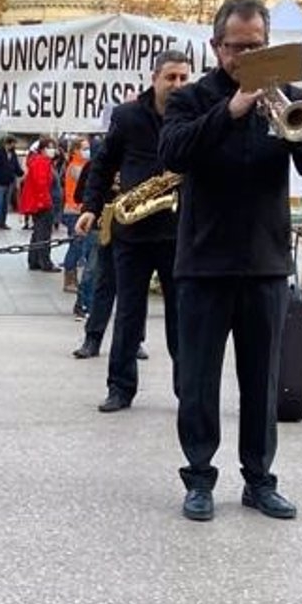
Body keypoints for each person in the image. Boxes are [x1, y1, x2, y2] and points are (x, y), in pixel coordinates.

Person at [160, 0, 302, 522]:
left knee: (262, 382)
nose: (248, 54)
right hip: (204, 263)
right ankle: (199, 479)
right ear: (217, 48)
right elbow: (174, 152)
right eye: (238, 47)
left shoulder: (288, 96)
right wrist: (231, 110)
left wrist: (290, 123)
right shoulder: (192, 98)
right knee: (198, 380)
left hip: (264, 263)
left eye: (257, 44)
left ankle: (259, 480)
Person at [77, 53, 192, 405]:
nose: (177, 85)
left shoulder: (194, 114)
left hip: (178, 232)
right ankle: (120, 388)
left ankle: (186, 391)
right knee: (128, 313)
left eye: (183, 78)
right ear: (154, 78)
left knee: (181, 319)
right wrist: (91, 208)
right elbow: (103, 163)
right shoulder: (127, 116)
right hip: (132, 233)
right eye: (170, 78)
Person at [20, 137, 60, 271]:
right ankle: (45, 262)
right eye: (49, 147)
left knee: (38, 232)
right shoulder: (42, 162)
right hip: (42, 204)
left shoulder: (38, 161)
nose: (52, 150)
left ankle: (34, 260)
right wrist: (46, 202)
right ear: (42, 149)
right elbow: (41, 184)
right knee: (44, 233)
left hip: (38, 203)